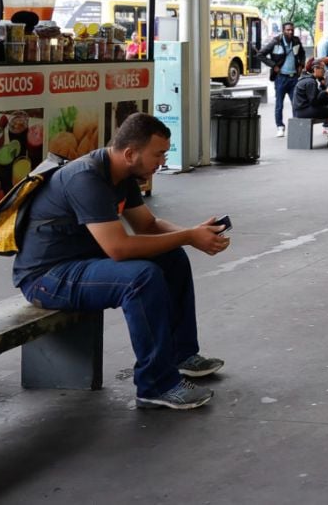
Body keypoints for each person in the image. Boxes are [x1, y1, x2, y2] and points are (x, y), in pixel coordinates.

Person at [12, 113, 229, 411]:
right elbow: (119, 248)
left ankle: (181, 355)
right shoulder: (85, 179)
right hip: (46, 279)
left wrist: (195, 234)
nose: (162, 161)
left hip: (83, 263)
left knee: (172, 258)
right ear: (130, 153)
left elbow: (148, 225)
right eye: (158, 154)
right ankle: (156, 385)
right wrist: (190, 236)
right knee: (142, 276)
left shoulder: (122, 174)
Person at [257, 21, 305, 138]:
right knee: (279, 104)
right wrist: (274, 65)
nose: (290, 32)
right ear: (283, 30)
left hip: (293, 78)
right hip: (281, 78)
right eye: (288, 30)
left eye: (292, 30)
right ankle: (280, 127)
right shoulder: (276, 41)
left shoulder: (296, 41)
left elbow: (302, 54)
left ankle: (296, 125)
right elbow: (260, 54)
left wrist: (301, 65)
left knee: (296, 104)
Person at [293, 58, 328, 147]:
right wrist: (326, 92)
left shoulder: (307, 79)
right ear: (315, 69)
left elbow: (316, 97)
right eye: (322, 68)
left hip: (302, 109)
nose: (324, 71)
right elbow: (314, 101)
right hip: (304, 111)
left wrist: (323, 86)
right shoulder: (310, 82)